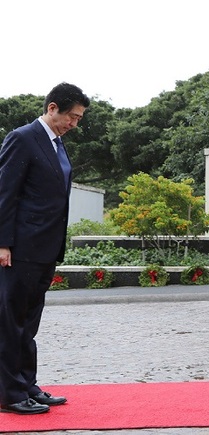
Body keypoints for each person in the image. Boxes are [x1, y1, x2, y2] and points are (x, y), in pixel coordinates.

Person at [0, 83, 90, 415]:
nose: (74, 124)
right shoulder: (22, 138)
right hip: (20, 247)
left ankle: (27, 385)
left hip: (46, 248)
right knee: (11, 322)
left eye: (79, 119)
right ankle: (10, 394)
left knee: (29, 321)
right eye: (72, 117)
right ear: (53, 108)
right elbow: (5, 193)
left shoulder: (58, 144)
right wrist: (2, 242)